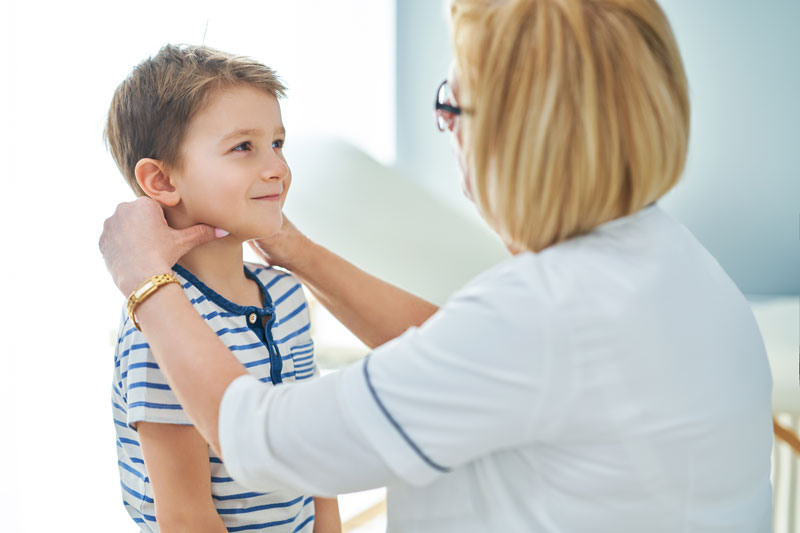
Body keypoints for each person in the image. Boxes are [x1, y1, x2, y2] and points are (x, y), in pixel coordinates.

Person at [99, 1, 773, 531]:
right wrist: (297, 252)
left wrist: (145, 281)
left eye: (454, 103)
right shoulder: (670, 264)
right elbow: (452, 349)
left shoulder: (551, 310)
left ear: (523, 137)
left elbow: (267, 441)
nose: (447, 127)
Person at [104, 44, 340, 533]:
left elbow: (316, 453)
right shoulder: (159, 328)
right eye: (243, 147)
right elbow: (187, 516)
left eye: (277, 143)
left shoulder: (288, 298)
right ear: (162, 180)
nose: (276, 167)